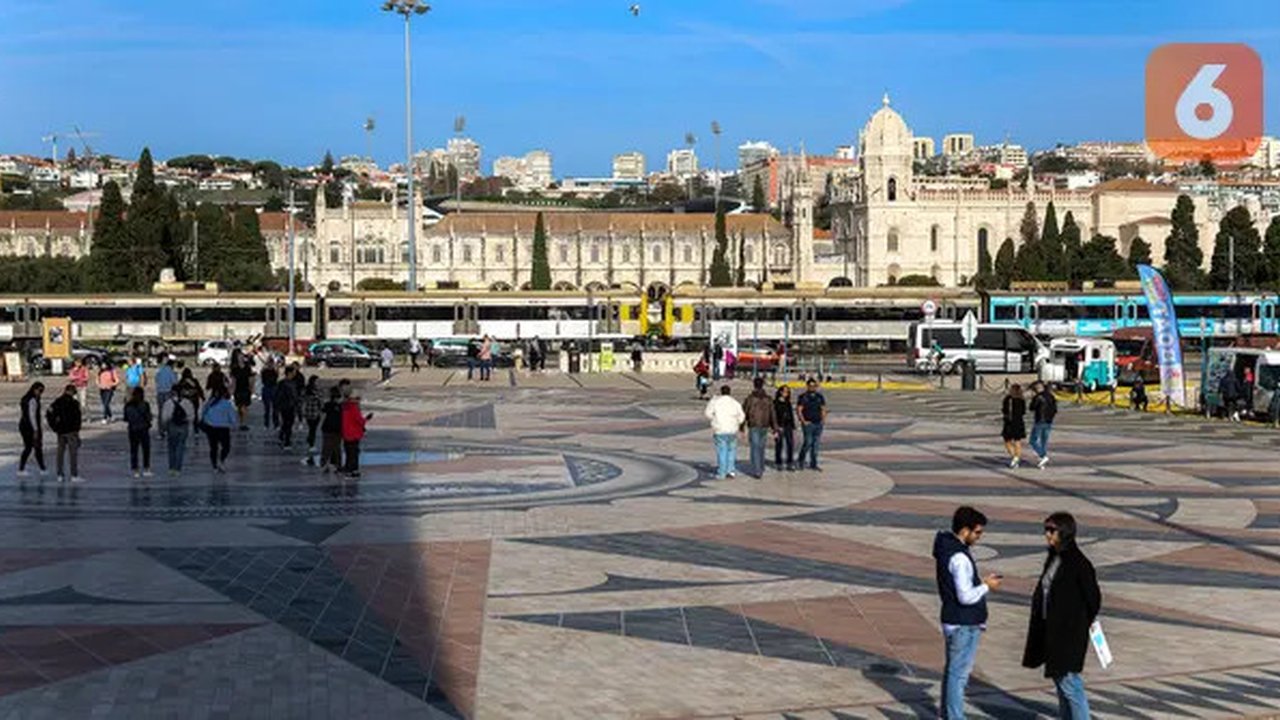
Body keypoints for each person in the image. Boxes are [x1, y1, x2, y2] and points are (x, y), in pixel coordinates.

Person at [1023, 512, 1102, 720]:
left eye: (1052, 530)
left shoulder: (1078, 563)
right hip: (1053, 632)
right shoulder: (1054, 558)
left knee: (1070, 684)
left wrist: (1077, 621)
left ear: (1065, 532)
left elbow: (1093, 599)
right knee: (1061, 682)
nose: (1047, 535)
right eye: (1046, 530)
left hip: (1069, 634)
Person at [934, 506, 1002, 720]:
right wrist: (986, 586)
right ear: (965, 530)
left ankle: (948, 715)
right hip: (963, 622)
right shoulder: (960, 558)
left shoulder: (947, 549)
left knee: (953, 672)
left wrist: (980, 584)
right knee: (958, 675)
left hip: (954, 619)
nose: (979, 537)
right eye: (978, 532)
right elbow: (965, 596)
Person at [704, 385, 745, 479]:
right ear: (730, 392)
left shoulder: (715, 402)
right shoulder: (735, 403)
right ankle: (730, 471)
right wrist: (736, 422)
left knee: (722, 451)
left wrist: (715, 419)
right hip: (732, 430)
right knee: (732, 451)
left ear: (721, 392)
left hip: (720, 429)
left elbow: (707, 413)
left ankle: (722, 472)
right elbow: (742, 417)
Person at [46, 384, 83, 483]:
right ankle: (74, 475)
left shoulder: (57, 402)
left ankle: (60, 474)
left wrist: (54, 426)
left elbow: (49, 413)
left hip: (60, 431)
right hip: (71, 431)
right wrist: (77, 430)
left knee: (60, 453)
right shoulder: (74, 403)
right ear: (71, 392)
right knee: (73, 454)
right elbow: (77, 419)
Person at [741, 376, 777, 478]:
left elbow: (744, 412)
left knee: (755, 448)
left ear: (754, 385)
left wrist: (742, 425)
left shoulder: (750, 399)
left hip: (754, 425)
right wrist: (775, 427)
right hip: (765, 425)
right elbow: (772, 413)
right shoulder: (768, 399)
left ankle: (757, 470)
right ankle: (760, 467)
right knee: (761, 448)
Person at [200, 388, 237, 473]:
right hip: (223, 427)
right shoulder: (227, 404)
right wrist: (233, 424)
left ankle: (214, 466)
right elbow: (232, 417)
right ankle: (221, 460)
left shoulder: (209, 403)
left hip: (211, 427)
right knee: (226, 446)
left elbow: (203, 414)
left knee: (213, 447)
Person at [796, 377, 827, 471]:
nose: (812, 388)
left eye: (814, 386)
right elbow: (799, 410)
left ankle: (814, 464)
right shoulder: (803, 397)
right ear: (807, 386)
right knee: (808, 442)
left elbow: (823, 408)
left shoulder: (819, 397)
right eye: (810, 386)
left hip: (818, 423)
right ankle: (801, 460)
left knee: (816, 445)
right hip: (808, 424)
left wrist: (823, 420)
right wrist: (803, 421)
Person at [123, 387, 153, 478]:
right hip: (143, 429)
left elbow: (126, 418)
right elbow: (149, 417)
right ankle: (146, 468)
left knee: (134, 450)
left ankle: (135, 469)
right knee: (146, 450)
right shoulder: (145, 404)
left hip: (133, 429)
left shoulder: (128, 405)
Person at [18, 382, 46, 478]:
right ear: (35, 389)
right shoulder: (32, 400)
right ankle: (42, 468)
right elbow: (32, 415)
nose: (41, 393)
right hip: (30, 427)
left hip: (23, 425)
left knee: (29, 447)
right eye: (40, 391)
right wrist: (36, 430)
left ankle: (23, 468)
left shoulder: (25, 398)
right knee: (35, 447)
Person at [341, 390, 371, 478]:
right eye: (358, 399)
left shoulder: (345, 407)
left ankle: (348, 469)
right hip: (354, 434)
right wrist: (367, 419)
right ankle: (352, 470)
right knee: (354, 453)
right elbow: (359, 421)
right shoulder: (354, 408)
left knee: (349, 452)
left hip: (346, 433)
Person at [1028, 381, 1057, 469]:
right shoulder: (1051, 396)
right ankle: (1042, 462)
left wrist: (1033, 399)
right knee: (1044, 441)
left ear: (1037, 388)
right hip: (1049, 421)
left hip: (1040, 420)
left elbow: (1031, 408)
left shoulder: (1038, 397)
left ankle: (1043, 456)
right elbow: (1055, 409)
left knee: (1033, 440)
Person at [166, 385, 193, 476]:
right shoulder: (187, 402)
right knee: (180, 448)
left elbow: (164, 417)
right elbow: (192, 416)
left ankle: (171, 468)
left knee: (172, 448)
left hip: (172, 426)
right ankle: (178, 469)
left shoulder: (168, 403)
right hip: (183, 426)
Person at [1002, 384, 1027, 468]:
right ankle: (1016, 458)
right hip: (1019, 422)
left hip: (1009, 423)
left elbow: (1004, 410)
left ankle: (1014, 457)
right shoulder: (1022, 399)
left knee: (1007, 441)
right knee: (1017, 441)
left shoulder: (1008, 399)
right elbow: (1023, 412)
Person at [320, 386, 344, 473]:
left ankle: (324, 464)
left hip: (327, 429)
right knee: (337, 448)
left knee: (326, 448)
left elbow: (323, 414)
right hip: (337, 430)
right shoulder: (341, 407)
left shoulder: (327, 405)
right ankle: (338, 465)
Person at [300, 375, 324, 465]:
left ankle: (310, 441)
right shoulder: (309, 390)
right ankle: (311, 443)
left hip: (314, 412)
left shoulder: (315, 390)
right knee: (312, 428)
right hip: (311, 411)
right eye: (317, 381)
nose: (318, 382)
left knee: (312, 428)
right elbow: (303, 399)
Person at [275, 366, 299, 449]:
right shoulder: (284, 383)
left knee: (287, 423)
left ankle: (282, 436)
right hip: (286, 406)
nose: (295, 373)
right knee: (288, 423)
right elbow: (279, 396)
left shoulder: (292, 382)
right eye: (293, 372)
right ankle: (287, 442)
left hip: (290, 406)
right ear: (289, 373)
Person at [773, 385, 796, 471]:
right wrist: (775, 426)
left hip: (788, 426)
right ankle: (778, 462)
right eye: (785, 391)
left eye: (788, 392)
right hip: (779, 426)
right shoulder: (775, 402)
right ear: (780, 392)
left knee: (790, 444)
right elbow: (773, 415)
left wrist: (793, 425)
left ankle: (790, 462)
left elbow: (791, 414)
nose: (786, 393)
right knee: (779, 444)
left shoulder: (788, 402)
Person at [230, 350, 254, 431]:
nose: (241, 358)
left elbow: (250, 378)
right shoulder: (234, 368)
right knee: (239, 407)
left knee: (244, 406)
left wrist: (251, 389)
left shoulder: (247, 368)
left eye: (242, 357)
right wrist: (231, 391)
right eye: (239, 357)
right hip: (238, 389)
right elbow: (233, 380)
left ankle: (243, 423)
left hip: (245, 388)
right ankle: (241, 422)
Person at [154, 357, 177, 439]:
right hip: (168, 393)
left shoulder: (159, 370)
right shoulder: (171, 371)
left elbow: (156, 380)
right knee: (169, 413)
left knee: (160, 413)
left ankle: (160, 432)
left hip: (160, 393)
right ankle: (168, 430)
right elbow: (174, 383)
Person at [260, 359, 279, 429]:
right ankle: (266, 424)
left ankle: (276, 424)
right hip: (267, 388)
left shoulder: (274, 371)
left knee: (275, 409)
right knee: (267, 409)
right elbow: (262, 378)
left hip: (273, 388)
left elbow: (277, 376)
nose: (270, 365)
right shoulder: (264, 371)